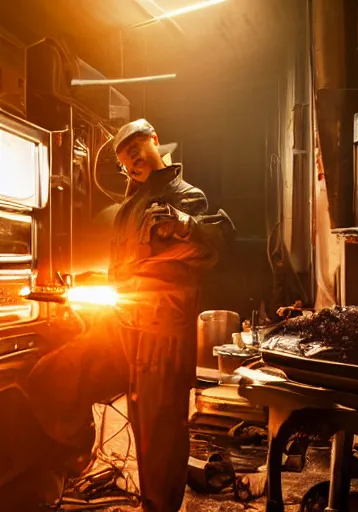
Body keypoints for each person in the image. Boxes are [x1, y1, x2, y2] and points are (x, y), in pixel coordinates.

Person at [24, 119, 235, 512]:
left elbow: (212, 247)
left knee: (158, 438)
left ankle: (158, 508)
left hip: (161, 335)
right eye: (126, 160)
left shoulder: (187, 198)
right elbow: (122, 269)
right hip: (120, 327)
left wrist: (185, 227)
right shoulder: (128, 209)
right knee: (53, 375)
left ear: (155, 142)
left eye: (137, 149)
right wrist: (83, 288)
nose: (133, 161)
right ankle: (78, 452)